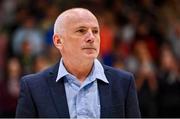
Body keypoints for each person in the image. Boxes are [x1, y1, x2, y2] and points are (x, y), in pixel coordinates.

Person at [15, 8, 141, 118]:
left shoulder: (124, 82)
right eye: (81, 31)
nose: (91, 37)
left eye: (95, 31)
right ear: (58, 41)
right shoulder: (33, 87)